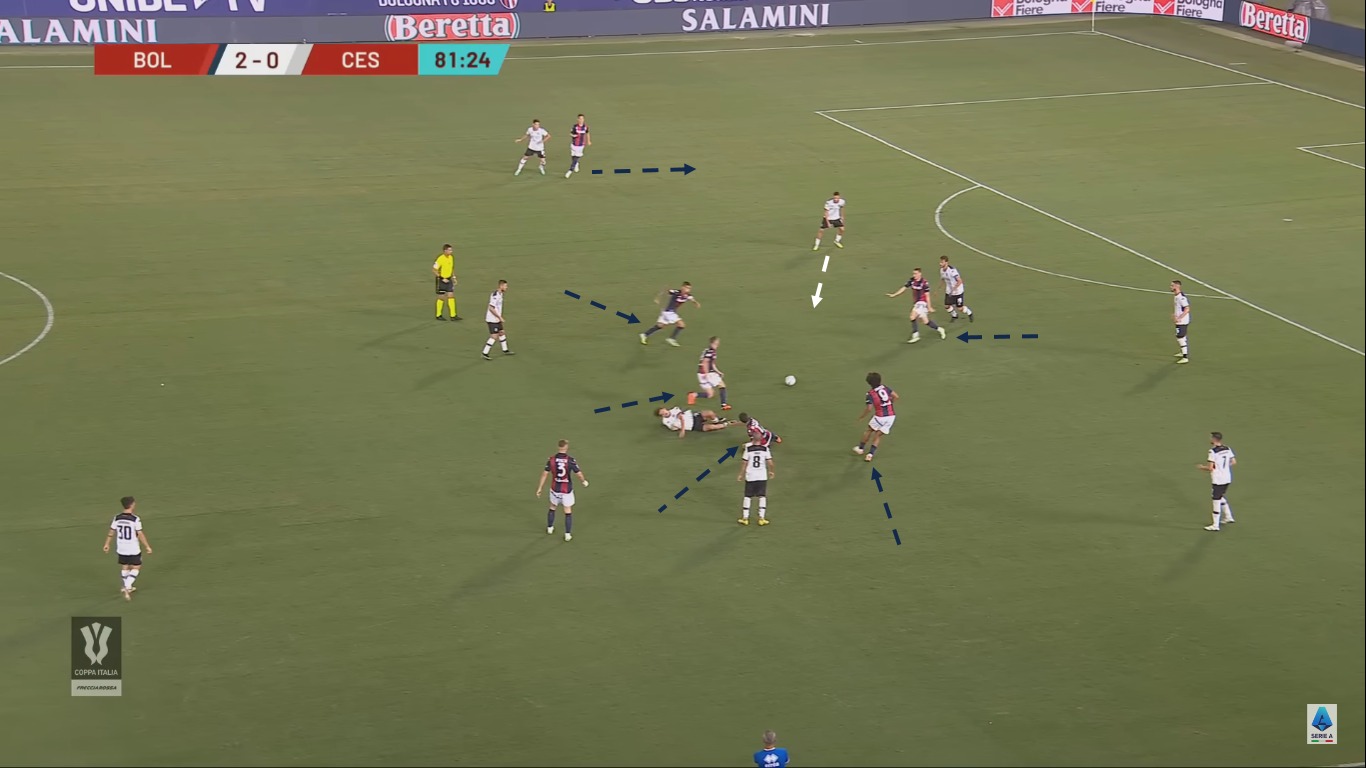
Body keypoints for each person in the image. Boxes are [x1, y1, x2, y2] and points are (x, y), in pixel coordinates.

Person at [536, 439, 588, 541]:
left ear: (558, 447)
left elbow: (544, 474)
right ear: (566, 448)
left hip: (555, 489)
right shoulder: (570, 460)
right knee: (567, 511)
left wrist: (540, 488)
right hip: (566, 490)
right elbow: (579, 474)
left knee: (552, 507)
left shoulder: (551, 460)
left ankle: (550, 528)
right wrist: (583, 481)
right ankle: (567, 534)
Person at [102, 496, 152, 601]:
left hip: (121, 547)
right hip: (132, 547)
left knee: (125, 566)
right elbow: (140, 534)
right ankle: (127, 586)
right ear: (132, 505)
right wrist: (147, 546)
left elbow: (111, 532)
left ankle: (127, 587)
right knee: (136, 566)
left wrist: (107, 544)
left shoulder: (117, 518)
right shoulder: (135, 519)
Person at [886, 268, 946, 343]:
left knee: (912, 316)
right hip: (917, 303)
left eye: (915, 273)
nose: (914, 275)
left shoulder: (924, 283)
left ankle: (916, 335)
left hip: (922, 302)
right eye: (913, 273)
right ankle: (940, 329)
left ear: (920, 274)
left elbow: (927, 296)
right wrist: (894, 294)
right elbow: (904, 288)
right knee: (926, 321)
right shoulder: (912, 281)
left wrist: (929, 307)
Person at [853, 371, 897, 462]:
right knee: (878, 435)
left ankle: (861, 449)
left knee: (869, 430)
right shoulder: (885, 388)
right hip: (891, 417)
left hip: (880, 417)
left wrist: (862, 417)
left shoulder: (870, 394)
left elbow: (869, 409)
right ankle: (870, 454)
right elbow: (896, 396)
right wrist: (889, 403)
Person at [1197, 431, 1236, 531]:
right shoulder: (1227, 448)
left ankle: (1215, 525)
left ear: (1214, 439)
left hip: (1218, 479)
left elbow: (1210, 468)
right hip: (1227, 478)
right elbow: (1233, 462)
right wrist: (1224, 468)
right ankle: (1228, 516)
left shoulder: (1212, 452)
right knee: (1220, 496)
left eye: (1211, 437)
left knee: (1216, 500)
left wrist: (1201, 467)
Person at [641, 282, 700, 347]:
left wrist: (696, 303)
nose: (688, 290)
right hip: (669, 312)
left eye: (689, 288)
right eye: (686, 288)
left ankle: (645, 334)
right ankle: (672, 338)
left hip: (667, 312)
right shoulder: (676, 292)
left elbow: (692, 300)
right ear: (682, 287)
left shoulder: (688, 295)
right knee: (681, 325)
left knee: (660, 326)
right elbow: (665, 290)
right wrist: (658, 298)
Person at [737, 436, 775, 526]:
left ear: (752, 440)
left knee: (747, 496)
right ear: (761, 440)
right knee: (762, 496)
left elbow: (744, 463)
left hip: (750, 476)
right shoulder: (765, 449)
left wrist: (741, 474)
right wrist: (771, 471)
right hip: (762, 476)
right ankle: (761, 518)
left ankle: (745, 518)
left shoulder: (748, 449)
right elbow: (770, 462)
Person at [687, 336, 730, 410]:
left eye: (717, 344)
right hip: (708, 373)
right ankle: (724, 404)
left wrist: (718, 372)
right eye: (715, 344)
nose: (717, 345)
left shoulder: (707, 350)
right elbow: (705, 362)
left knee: (710, 394)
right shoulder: (710, 351)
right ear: (711, 343)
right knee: (722, 385)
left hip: (700, 374)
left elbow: (712, 364)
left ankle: (693, 395)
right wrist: (707, 374)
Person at [481, 280, 515, 360]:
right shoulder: (495, 295)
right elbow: (491, 308)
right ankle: (485, 353)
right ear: (501, 286)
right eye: (505, 286)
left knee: (502, 332)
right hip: (492, 319)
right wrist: (500, 317)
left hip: (496, 319)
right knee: (494, 336)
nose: (507, 287)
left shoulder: (500, 294)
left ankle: (505, 350)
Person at [656, 406, 733, 438]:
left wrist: (682, 431)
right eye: (662, 413)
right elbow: (674, 428)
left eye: (663, 411)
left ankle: (716, 420)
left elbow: (682, 419)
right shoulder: (666, 421)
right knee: (711, 427)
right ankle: (727, 424)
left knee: (710, 413)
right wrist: (680, 428)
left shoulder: (675, 409)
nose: (664, 413)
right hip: (692, 425)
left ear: (665, 409)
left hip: (694, 416)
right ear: (661, 416)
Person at [939, 256, 974, 322]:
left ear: (946, 262)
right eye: (940, 262)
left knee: (960, 308)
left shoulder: (952, 271)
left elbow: (960, 281)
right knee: (947, 306)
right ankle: (954, 315)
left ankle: (969, 313)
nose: (940, 263)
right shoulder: (941, 270)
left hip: (958, 291)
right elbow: (943, 279)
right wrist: (939, 288)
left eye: (942, 262)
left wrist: (953, 289)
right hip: (949, 291)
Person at [432, 243, 459, 321]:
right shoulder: (440, 259)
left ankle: (453, 315)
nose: (451, 251)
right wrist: (441, 278)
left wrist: (454, 277)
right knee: (441, 297)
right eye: (449, 250)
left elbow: (451, 268)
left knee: (451, 296)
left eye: (451, 250)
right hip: (441, 280)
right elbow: (434, 270)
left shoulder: (451, 257)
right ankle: (438, 315)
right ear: (445, 250)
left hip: (449, 279)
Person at [565, 113, 591, 178]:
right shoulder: (575, 127)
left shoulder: (585, 127)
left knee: (576, 157)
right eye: (580, 119)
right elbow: (571, 133)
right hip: (574, 144)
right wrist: (573, 135)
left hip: (581, 145)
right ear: (578, 119)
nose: (581, 120)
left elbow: (587, 133)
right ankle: (576, 163)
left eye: (582, 119)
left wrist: (588, 141)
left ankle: (570, 170)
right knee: (573, 156)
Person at [1171, 280, 1190, 364]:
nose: (1171, 287)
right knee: (1182, 336)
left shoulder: (1181, 297)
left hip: (1182, 321)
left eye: (1172, 285)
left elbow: (1187, 309)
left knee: (1180, 337)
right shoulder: (1176, 296)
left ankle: (1185, 357)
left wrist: (1179, 318)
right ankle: (1183, 352)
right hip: (1180, 320)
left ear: (1177, 286)